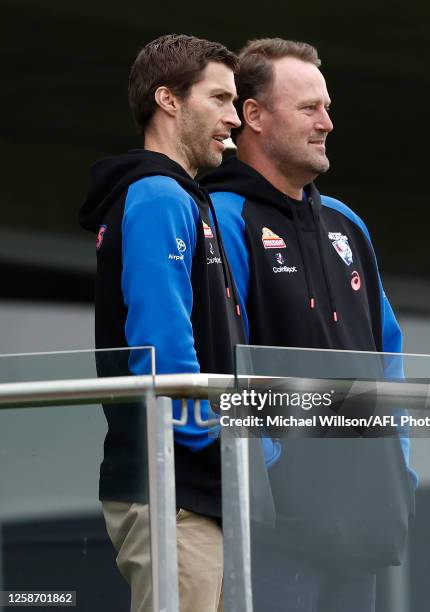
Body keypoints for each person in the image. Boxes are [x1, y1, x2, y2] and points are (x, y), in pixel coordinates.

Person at [203, 38, 415, 612]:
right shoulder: (221, 220)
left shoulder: (346, 223)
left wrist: (400, 463)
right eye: (308, 109)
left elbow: (386, 352)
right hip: (277, 530)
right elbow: (217, 359)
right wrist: (273, 470)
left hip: (363, 519)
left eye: (326, 106)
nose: (327, 122)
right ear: (253, 116)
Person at [79, 34, 263, 612]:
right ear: (168, 99)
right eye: (221, 99)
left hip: (195, 489)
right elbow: (162, 349)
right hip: (176, 489)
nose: (235, 119)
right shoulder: (158, 194)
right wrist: (215, 445)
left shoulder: (181, 195)